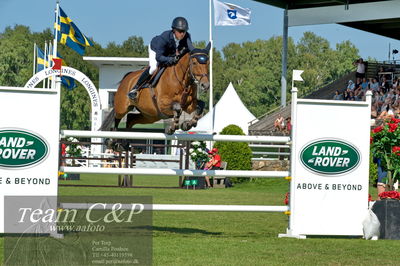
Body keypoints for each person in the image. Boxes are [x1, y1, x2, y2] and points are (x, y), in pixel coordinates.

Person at [128, 17, 194, 100]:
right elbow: (159, 57)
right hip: (155, 50)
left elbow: (191, 50)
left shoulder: (187, 36)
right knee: (153, 68)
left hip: (170, 52)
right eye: (180, 31)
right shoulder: (164, 37)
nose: (182, 34)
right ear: (174, 30)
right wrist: (171, 60)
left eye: (184, 31)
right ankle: (135, 88)